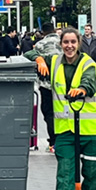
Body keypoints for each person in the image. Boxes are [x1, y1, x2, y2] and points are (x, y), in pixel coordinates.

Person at [25, 28, 96, 190]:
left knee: (91, 173)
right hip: (65, 132)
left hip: (90, 131)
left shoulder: (88, 63)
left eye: (73, 42)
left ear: (79, 43)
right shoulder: (53, 62)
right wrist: (39, 59)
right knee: (65, 174)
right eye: (65, 42)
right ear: (60, 44)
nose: (69, 46)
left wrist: (82, 89)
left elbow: (91, 80)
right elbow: (27, 53)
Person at [32, 22, 62, 153]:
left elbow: (29, 56)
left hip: (46, 85)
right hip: (64, 84)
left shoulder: (40, 45)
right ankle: (64, 139)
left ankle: (53, 141)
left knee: (48, 113)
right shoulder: (64, 42)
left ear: (42, 32)